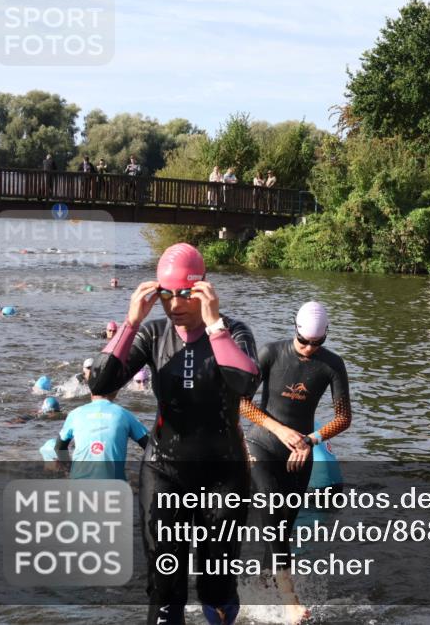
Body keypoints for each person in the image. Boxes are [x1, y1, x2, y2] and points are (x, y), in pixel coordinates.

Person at [88, 242, 259, 625]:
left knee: (217, 584)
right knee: (165, 587)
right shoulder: (152, 335)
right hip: (164, 471)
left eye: (185, 294)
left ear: (203, 289)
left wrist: (215, 326)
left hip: (222, 476)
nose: (175, 305)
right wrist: (130, 323)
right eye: (167, 294)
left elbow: (244, 385)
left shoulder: (234, 332)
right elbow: (100, 383)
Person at [240, 301, 352, 624]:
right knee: (273, 512)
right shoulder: (271, 354)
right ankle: (290, 601)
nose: (309, 350)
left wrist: (311, 439)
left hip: (299, 454)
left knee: (282, 529)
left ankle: (261, 590)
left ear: (326, 336)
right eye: (304, 342)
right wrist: (279, 429)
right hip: (261, 444)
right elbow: (242, 403)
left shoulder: (332, 365)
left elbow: (344, 417)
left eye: (318, 344)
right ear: (295, 330)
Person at [54, 387, 149, 480]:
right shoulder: (124, 414)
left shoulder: (75, 414)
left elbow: (59, 447)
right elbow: (150, 446)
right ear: (115, 392)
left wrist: (69, 468)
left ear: (91, 392)